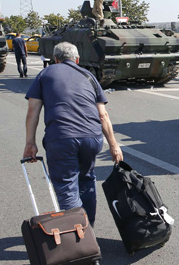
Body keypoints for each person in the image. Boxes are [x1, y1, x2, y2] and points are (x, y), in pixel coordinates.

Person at [23, 42, 123, 226]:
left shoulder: (45, 74)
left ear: (55, 59)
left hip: (61, 138)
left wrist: (30, 143)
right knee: (86, 180)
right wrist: (114, 145)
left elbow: (33, 111)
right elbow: (103, 114)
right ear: (77, 59)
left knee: (67, 186)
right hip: (92, 138)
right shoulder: (88, 75)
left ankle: (79, 236)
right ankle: (88, 229)